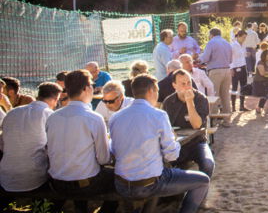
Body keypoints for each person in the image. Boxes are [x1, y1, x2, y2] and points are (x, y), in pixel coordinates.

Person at [110, 75, 209, 213]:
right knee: (203, 180)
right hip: (150, 184)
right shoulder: (158, 115)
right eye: (157, 91)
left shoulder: (116, 117)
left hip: (121, 184)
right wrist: (173, 141)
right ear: (151, 91)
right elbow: (172, 155)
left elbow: (113, 150)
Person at [46, 70, 118, 213]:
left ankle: (80, 208)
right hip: (84, 185)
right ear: (86, 88)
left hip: (56, 182)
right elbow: (104, 159)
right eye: (92, 84)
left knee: (83, 170)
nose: (93, 88)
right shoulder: (94, 118)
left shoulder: (52, 117)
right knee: (120, 179)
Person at [0, 82, 61, 194]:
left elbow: (2, 146)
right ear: (55, 99)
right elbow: (55, 150)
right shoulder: (50, 115)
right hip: (34, 179)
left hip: (6, 178)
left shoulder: (12, 112)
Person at [162, 70, 214, 178]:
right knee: (163, 166)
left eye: (189, 83)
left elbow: (197, 125)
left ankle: (199, 190)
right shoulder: (169, 102)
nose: (187, 87)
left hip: (197, 142)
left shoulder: (200, 98)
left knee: (208, 164)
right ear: (174, 85)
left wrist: (190, 102)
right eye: (183, 84)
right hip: (176, 144)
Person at [199, 28, 233, 127]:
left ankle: (213, 121)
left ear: (211, 34)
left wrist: (198, 59)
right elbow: (231, 60)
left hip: (215, 71)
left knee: (213, 95)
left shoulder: (211, 42)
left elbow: (205, 58)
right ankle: (227, 120)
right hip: (227, 70)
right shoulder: (227, 43)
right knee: (225, 96)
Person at [230, 30, 249, 112]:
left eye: (245, 38)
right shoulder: (233, 45)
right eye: (243, 37)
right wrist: (231, 68)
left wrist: (247, 54)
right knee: (234, 87)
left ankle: (242, 105)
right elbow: (229, 57)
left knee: (244, 87)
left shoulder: (243, 45)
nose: (244, 39)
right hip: (235, 67)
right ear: (238, 36)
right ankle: (233, 106)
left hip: (243, 66)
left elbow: (243, 55)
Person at [253, 49, 268, 115]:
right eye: (267, 54)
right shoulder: (260, 62)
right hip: (259, 82)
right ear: (264, 55)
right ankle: (259, 107)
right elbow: (262, 73)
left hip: (267, 82)